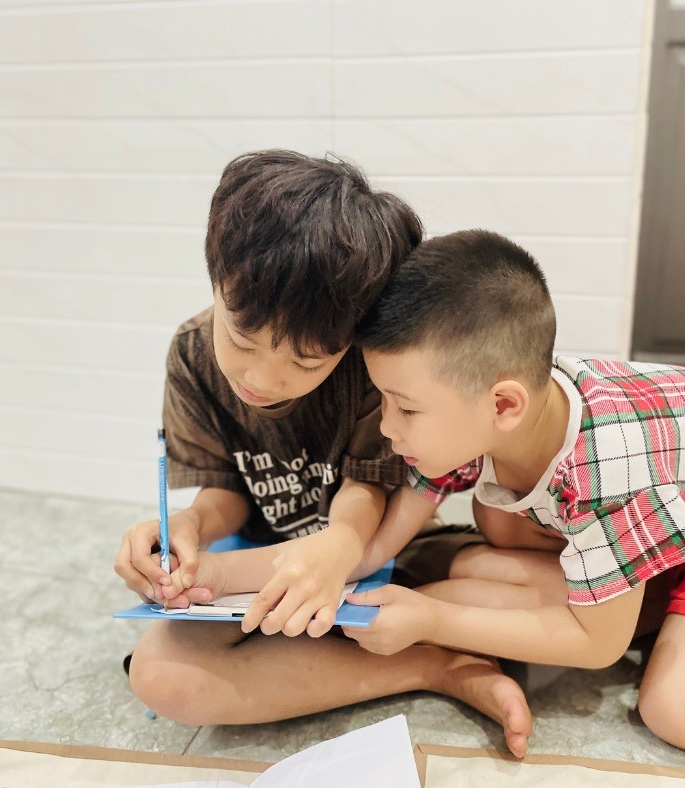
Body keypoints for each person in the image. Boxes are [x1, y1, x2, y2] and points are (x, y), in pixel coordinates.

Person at [113, 153, 531, 757]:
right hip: (259, 570)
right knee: (162, 676)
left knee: (517, 586)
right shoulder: (192, 354)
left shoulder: (372, 364)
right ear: (216, 281)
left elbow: (369, 486)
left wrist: (342, 543)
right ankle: (434, 667)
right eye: (241, 339)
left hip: (383, 552)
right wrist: (190, 525)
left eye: (306, 362)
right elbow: (226, 491)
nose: (263, 378)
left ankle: (391, 646)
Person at [347, 228, 685, 752]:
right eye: (385, 400)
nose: (387, 426)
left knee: (682, 714)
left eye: (406, 408)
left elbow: (597, 646)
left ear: (504, 406)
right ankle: (659, 599)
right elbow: (409, 510)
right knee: (493, 523)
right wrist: (348, 561)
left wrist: (433, 619)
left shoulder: (607, 472)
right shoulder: (512, 402)